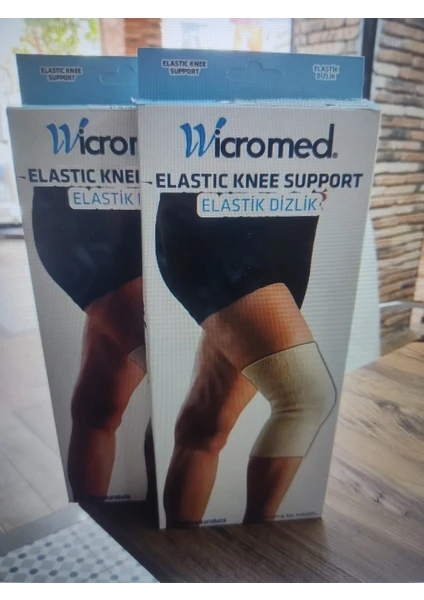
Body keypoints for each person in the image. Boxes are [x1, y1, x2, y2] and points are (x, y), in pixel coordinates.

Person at [156, 192, 336, 527]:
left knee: (205, 425)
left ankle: (180, 547)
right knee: (305, 398)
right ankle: (257, 545)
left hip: (286, 229)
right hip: (216, 225)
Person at [32, 186, 150, 501]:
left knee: (99, 407)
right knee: (172, 390)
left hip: (176, 206)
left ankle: (95, 519)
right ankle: (109, 520)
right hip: (98, 209)